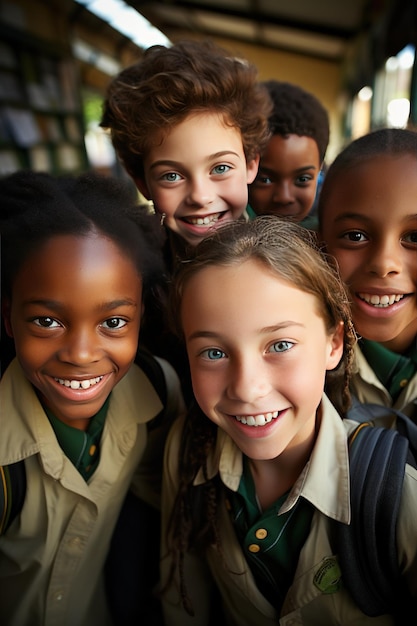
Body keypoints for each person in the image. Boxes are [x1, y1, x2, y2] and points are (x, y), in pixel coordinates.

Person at [159, 215, 417, 624]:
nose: (246, 388)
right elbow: (183, 603)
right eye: (213, 353)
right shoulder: (188, 449)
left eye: (279, 344)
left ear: (334, 343)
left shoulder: (399, 497)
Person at [0, 170, 185, 626]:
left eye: (114, 322)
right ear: (8, 318)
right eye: (47, 322)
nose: (81, 354)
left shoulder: (158, 393)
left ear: (143, 314)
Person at [100, 39, 272, 270]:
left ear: (251, 164)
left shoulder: (283, 266)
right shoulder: (135, 275)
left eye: (220, 168)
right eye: (171, 176)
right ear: (142, 182)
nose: (200, 197)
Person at [318, 128, 417, 421]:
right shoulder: (293, 361)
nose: (384, 264)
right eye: (355, 235)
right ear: (319, 243)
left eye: (414, 237)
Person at [248, 80, 329, 229]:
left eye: (302, 179)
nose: (284, 197)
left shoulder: (326, 233)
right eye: (265, 180)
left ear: (320, 170)